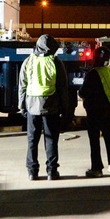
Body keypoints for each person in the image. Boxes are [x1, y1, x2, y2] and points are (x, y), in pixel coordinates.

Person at [18, 34, 71, 180]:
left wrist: (21, 106)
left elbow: (22, 86)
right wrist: (65, 107)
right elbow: (62, 88)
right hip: (51, 106)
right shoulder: (56, 62)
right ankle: (52, 171)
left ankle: (32, 172)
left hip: (32, 107)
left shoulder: (28, 61)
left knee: (32, 140)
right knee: (51, 140)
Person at [79, 47, 110, 177]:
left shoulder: (93, 73)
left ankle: (96, 168)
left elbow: (83, 92)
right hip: (109, 108)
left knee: (94, 140)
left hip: (95, 111)